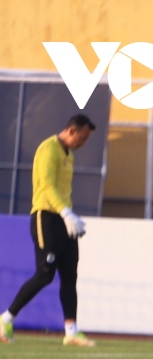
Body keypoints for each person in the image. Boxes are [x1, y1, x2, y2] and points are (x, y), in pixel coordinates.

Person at [1, 114, 97, 346]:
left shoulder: (68, 156)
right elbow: (46, 187)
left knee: (69, 275)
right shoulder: (48, 149)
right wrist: (66, 213)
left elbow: (63, 190)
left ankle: (71, 332)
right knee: (45, 273)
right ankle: (6, 319)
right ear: (72, 131)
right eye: (82, 138)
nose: (82, 143)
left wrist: (70, 216)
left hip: (64, 220)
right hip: (47, 217)